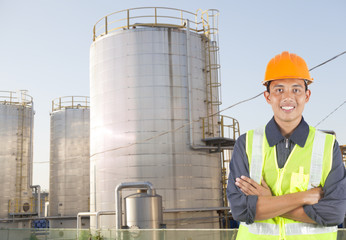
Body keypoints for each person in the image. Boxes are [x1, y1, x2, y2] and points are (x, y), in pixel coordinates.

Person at [226, 51, 346, 240]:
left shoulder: (327, 146)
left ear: (307, 95)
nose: (287, 97)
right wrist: (304, 197)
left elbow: (334, 213)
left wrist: (266, 202)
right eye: (279, 90)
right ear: (267, 97)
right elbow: (240, 210)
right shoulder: (246, 143)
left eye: (296, 89)